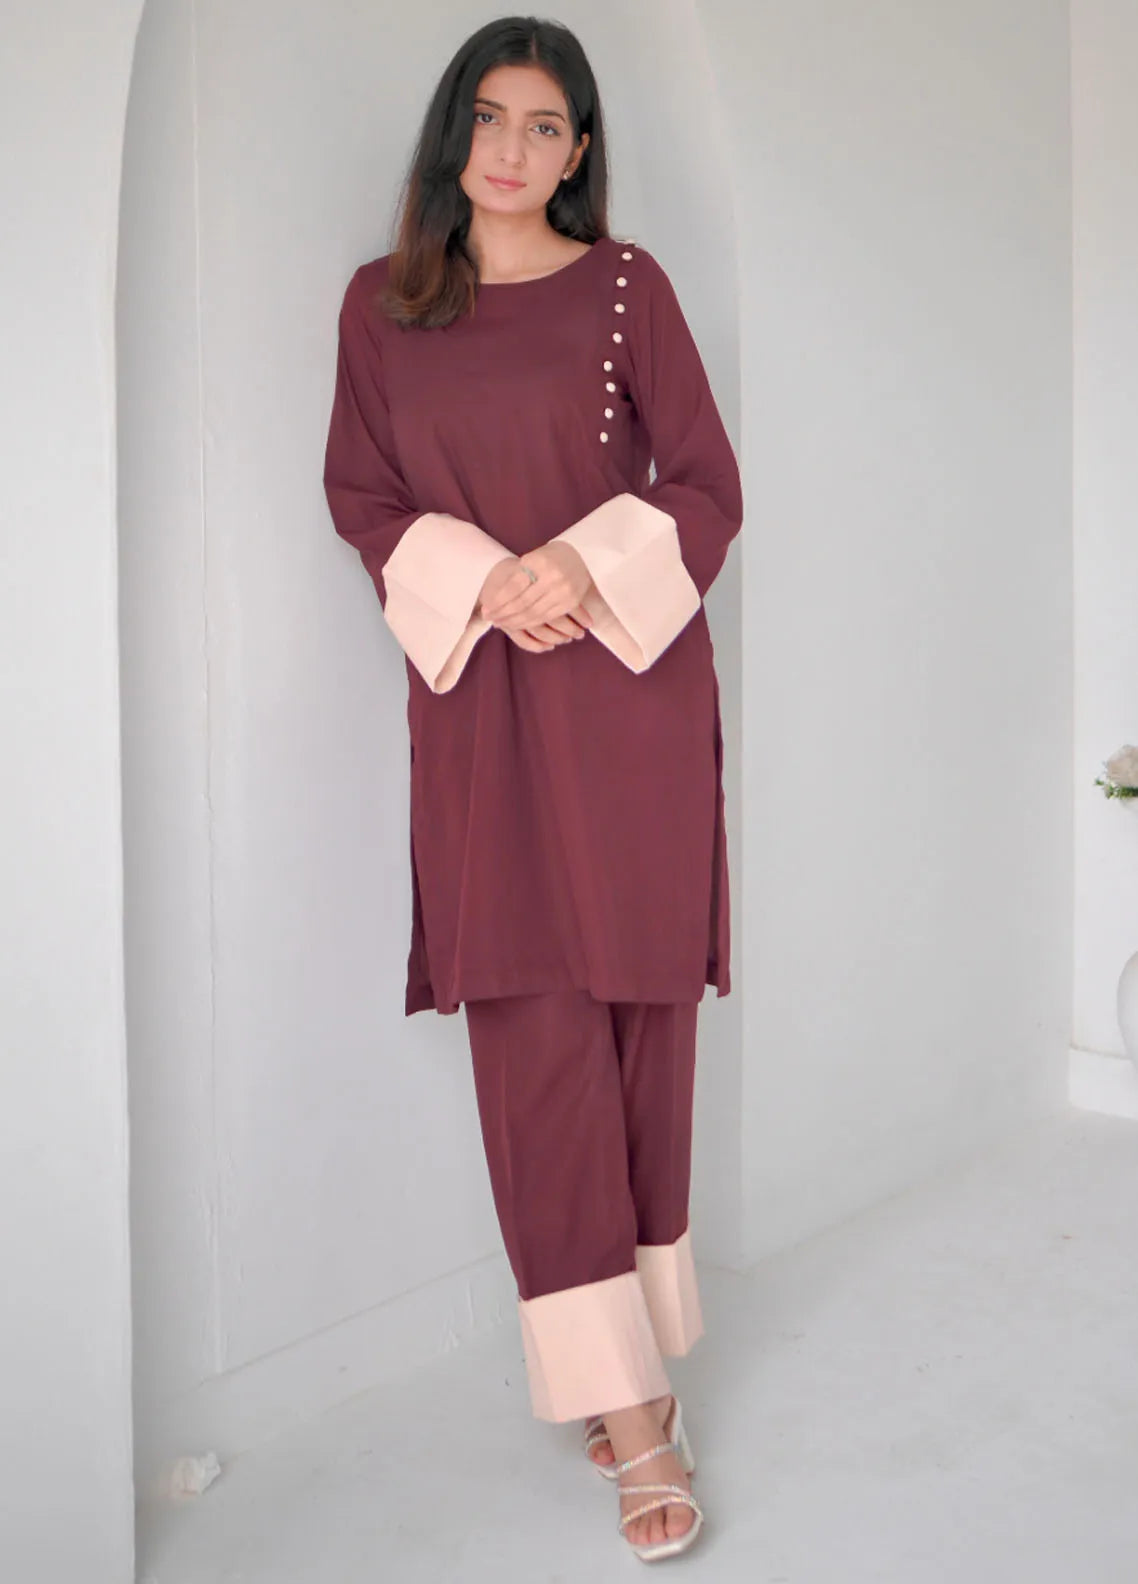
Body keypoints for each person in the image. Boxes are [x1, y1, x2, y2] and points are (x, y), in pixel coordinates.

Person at [323, 14, 742, 1563]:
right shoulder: (383, 307)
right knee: (531, 1038)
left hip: (629, 703)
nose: (511, 149)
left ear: (578, 151)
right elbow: (362, 494)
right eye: (489, 118)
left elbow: (704, 485)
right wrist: (488, 581)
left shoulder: (628, 288)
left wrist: (581, 562)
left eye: (544, 125)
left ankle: (630, 1370)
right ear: (456, 135)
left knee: (636, 1029)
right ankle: (632, 1412)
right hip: (483, 713)